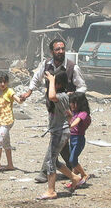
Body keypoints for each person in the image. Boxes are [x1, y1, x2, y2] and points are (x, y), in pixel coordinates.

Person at [20, 37, 86, 183]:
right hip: (52, 108)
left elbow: (82, 87)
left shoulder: (72, 67)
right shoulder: (45, 65)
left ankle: (45, 172)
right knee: (62, 141)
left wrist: (72, 96)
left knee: (57, 137)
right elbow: (36, 79)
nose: (61, 51)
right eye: (57, 49)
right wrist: (28, 93)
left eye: (63, 49)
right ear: (52, 51)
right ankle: (72, 167)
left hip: (65, 107)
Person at [39, 70, 84, 199]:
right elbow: (68, 114)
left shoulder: (62, 96)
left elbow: (52, 96)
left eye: (54, 83)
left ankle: (51, 191)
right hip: (59, 132)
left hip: (60, 132)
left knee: (50, 161)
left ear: (59, 84)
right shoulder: (63, 96)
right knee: (54, 160)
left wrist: (52, 80)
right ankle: (74, 177)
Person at [61, 91, 92, 191]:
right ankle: (74, 182)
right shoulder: (74, 112)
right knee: (73, 161)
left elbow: (76, 122)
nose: (71, 105)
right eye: (71, 103)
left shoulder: (83, 114)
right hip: (72, 139)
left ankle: (84, 174)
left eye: (74, 103)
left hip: (79, 139)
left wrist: (69, 125)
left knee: (72, 160)